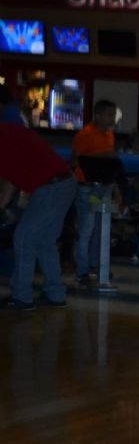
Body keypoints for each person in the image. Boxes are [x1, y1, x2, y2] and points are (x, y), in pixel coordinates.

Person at [0, 122, 77, 310]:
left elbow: (7, 181)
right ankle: (55, 294)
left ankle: (22, 297)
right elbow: (11, 177)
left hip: (51, 187)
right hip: (64, 183)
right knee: (44, 241)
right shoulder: (8, 132)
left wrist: (0, 206)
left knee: (24, 238)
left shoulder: (4, 136)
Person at [70, 99, 120, 285]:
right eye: (109, 114)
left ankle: (96, 264)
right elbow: (75, 161)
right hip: (87, 187)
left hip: (103, 187)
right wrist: (102, 157)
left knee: (101, 230)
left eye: (113, 115)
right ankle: (81, 270)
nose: (112, 118)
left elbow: (111, 164)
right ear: (98, 115)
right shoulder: (85, 135)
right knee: (86, 230)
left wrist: (115, 188)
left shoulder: (110, 135)